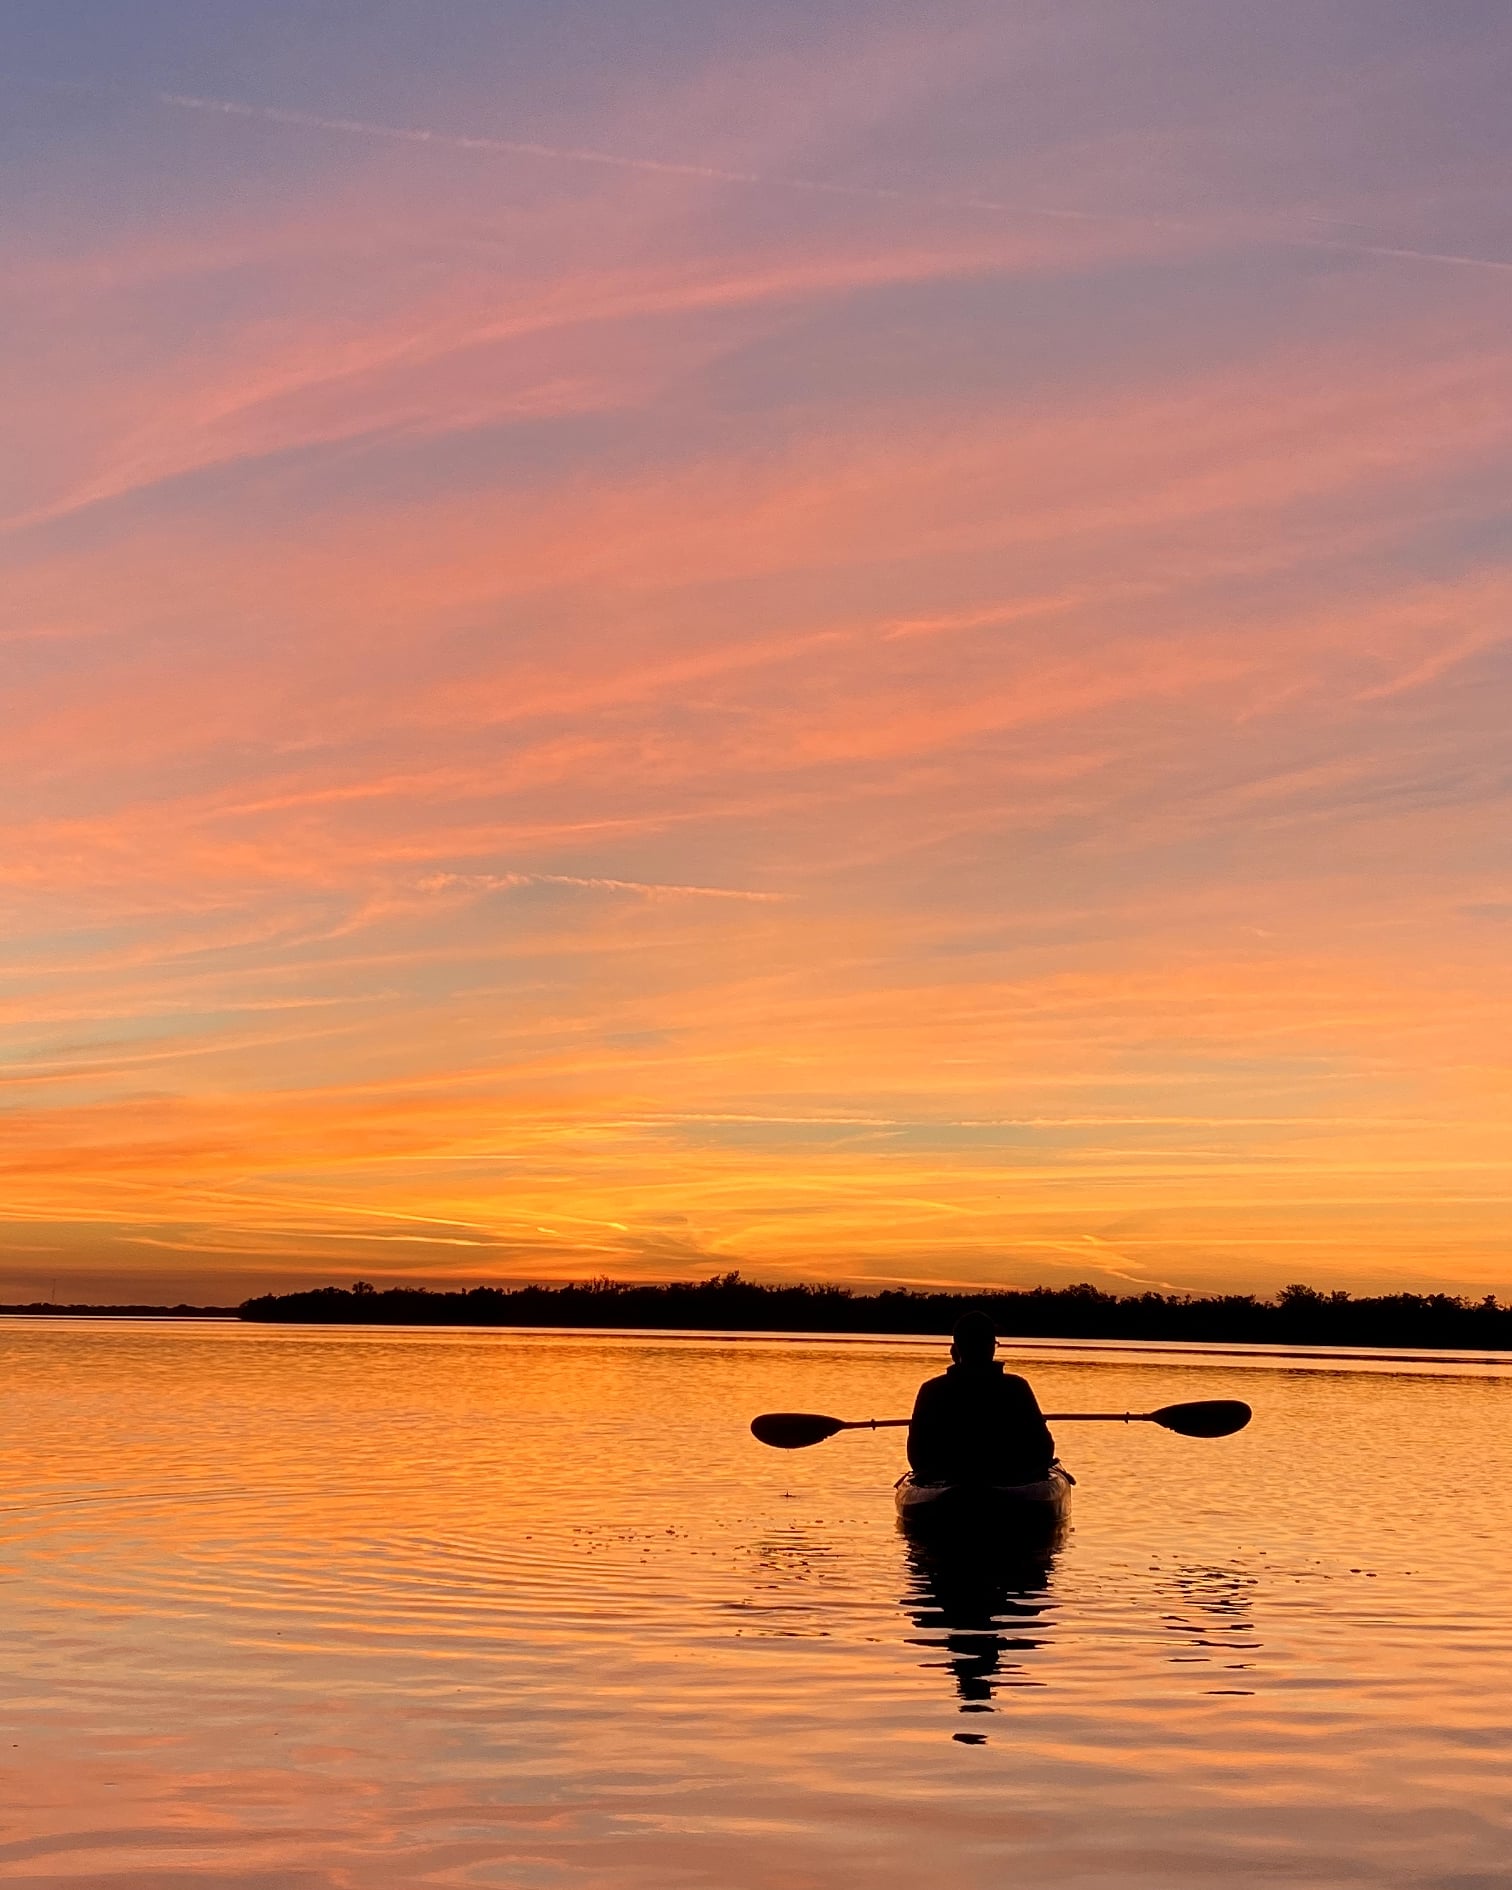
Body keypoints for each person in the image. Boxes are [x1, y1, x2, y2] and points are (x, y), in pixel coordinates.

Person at [907, 1312, 1055, 1485]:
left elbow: (916, 1455)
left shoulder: (931, 1390)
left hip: (948, 1481)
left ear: (955, 1350)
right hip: (1008, 1477)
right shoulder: (1016, 1387)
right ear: (990, 1347)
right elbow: (1044, 1449)